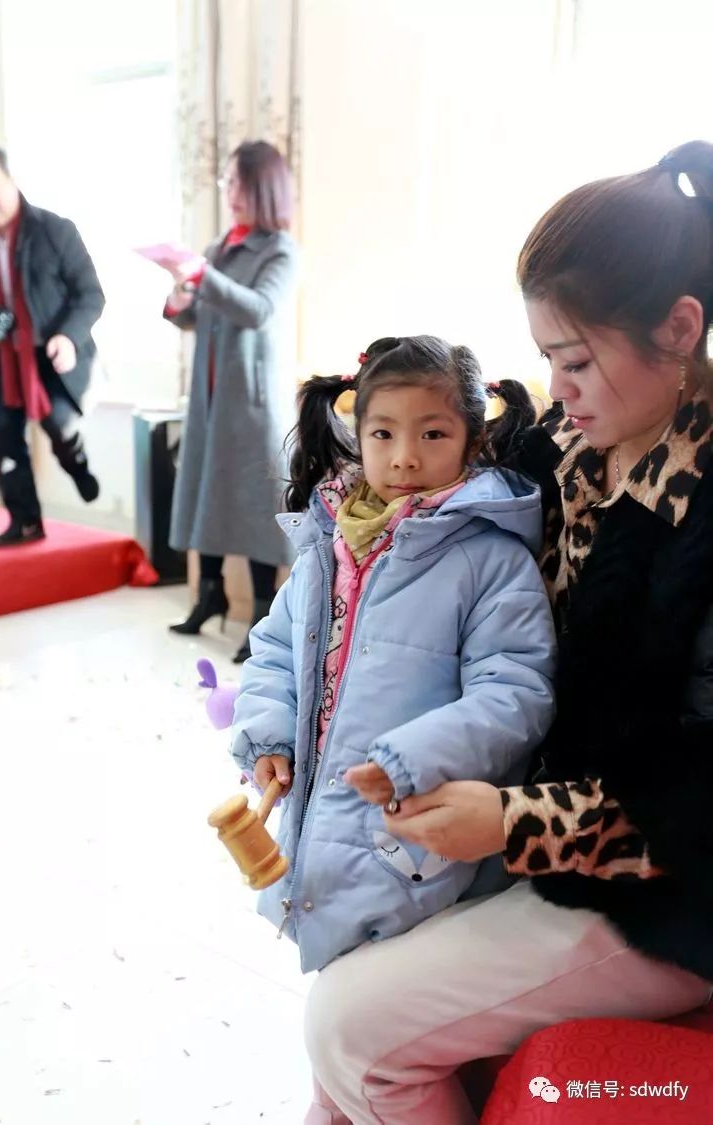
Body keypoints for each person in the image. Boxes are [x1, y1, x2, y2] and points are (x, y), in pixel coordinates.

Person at [301, 141, 713, 1125]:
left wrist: (517, 822)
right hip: (522, 822)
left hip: (664, 890)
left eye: (576, 361)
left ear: (679, 328)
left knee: (347, 1027)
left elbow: (696, 803)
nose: (559, 388)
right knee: (348, 979)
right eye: (546, 361)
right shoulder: (558, 455)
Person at [228, 334, 557, 973]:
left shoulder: (490, 558)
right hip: (320, 828)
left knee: (384, 1002)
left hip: (413, 841)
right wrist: (268, 734)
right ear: (359, 435)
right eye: (383, 434)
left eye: (432, 434)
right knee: (339, 996)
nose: (404, 457)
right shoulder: (327, 545)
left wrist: (411, 758)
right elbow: (273, 649)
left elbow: (516, 693)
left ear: (472, 440)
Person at [162, 140, 298, 662]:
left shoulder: (280, 250)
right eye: (227, 181)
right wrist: (180, 299)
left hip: (253, 402)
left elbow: (259, 309)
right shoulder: (220, 246)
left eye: (237, 181)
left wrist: (201, 276)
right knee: (208, 495)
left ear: (262, 187)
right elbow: (201, 314)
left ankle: (262, 614)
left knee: (257, 507)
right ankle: (209, 595)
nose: (229, 191)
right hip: (212, 397)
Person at [0, 141, 105, 547]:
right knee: (5, 438)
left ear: (11, 180)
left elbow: (91, 295)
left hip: (53, 350)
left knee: (59, 425)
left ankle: (76, 463)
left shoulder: (54, 230)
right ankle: (25, 521)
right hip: (3, 354)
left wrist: (68, 336)